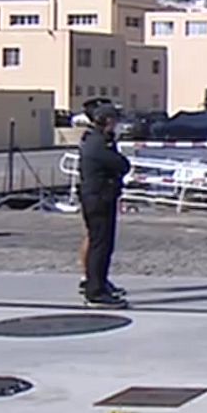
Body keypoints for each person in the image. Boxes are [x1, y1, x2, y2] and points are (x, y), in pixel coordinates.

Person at [77, 100, 131, 307]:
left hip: (101, 196)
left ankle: (99, 283)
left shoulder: (98, 140)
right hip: (98, 198)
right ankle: (95, 291)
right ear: (106, 121)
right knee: (99, 244)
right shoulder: (97, 143)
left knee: (103, 244)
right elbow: (120, 164)